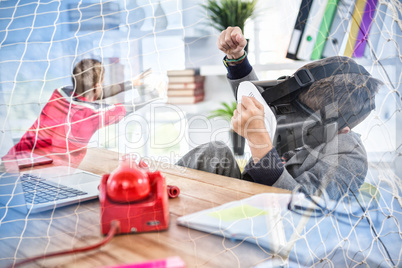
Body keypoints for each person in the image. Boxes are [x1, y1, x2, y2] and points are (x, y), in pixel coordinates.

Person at [176, 27, 384, 200]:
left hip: (270, 225)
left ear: (340, 129)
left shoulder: (350, 156)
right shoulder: (304, 107)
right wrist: (237, 59)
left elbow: (304, 209)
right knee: (215, 153)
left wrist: (262, 148)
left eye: (301, 118)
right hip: (244, 194)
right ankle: (156, 193)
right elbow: (261, 105)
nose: (286, 117)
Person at [6, 59, 135, 168]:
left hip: (11, 161)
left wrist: (132, 84)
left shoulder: (60, 93)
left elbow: (93, 92)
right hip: (47, 173)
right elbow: (129, 107)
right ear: (97, 86)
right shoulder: (94, 113)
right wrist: (153, 94)